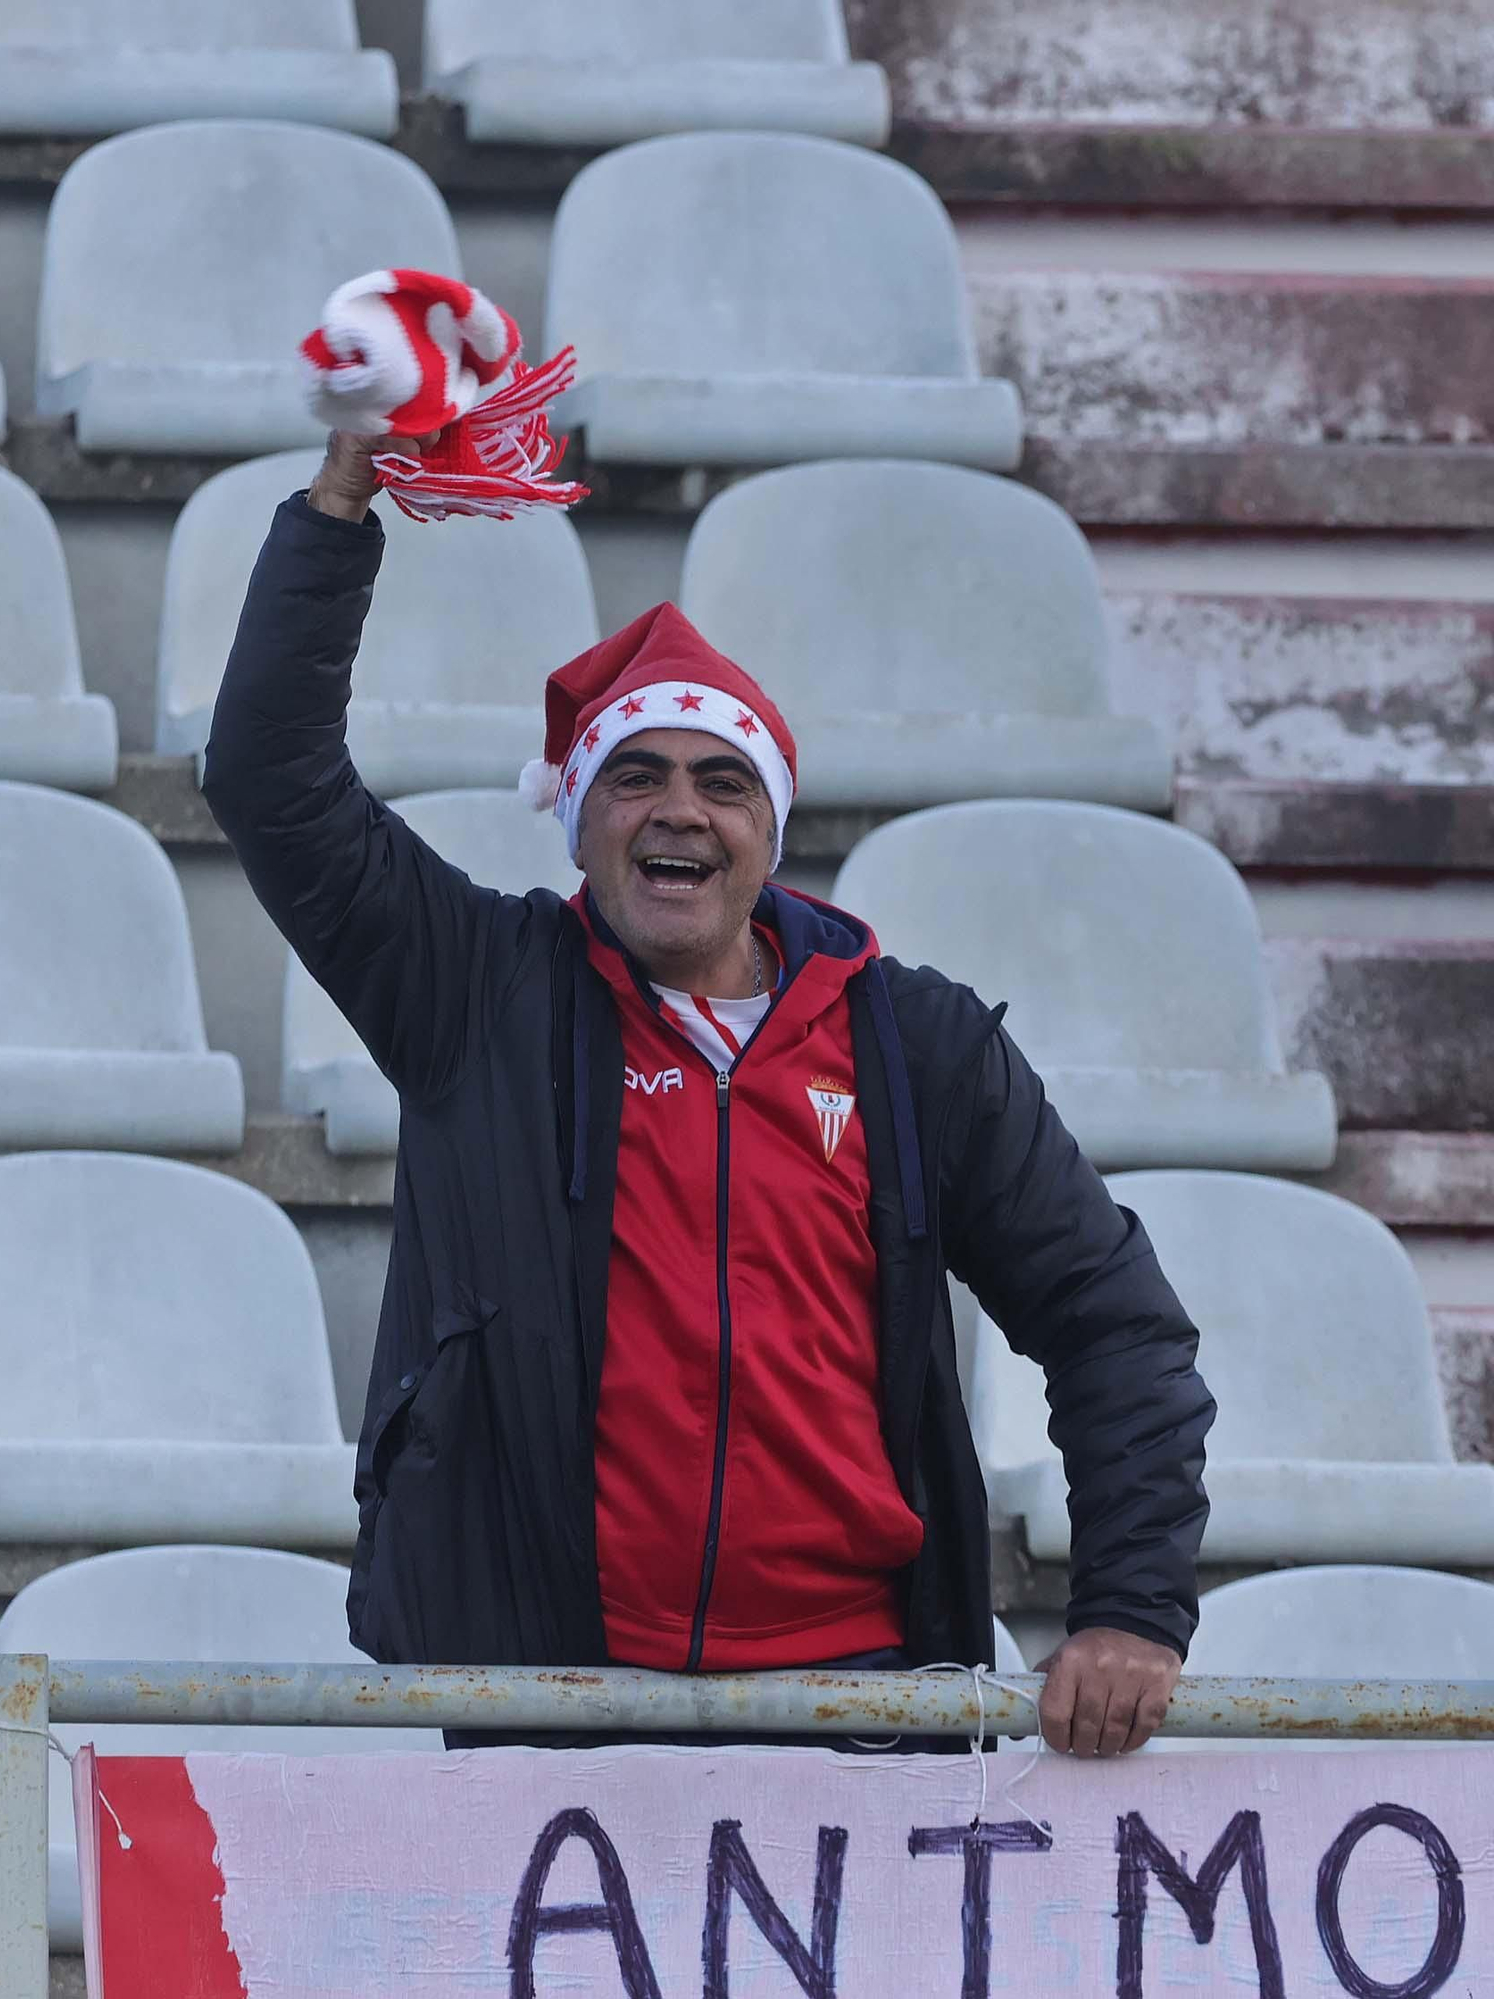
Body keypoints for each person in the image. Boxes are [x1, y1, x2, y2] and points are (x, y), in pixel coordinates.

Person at [203, 428, 1215, 1760]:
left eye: (721, 781)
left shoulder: (920, 1046)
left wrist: (1133, 1609)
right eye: (636, 776)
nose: (679, 810)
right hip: (561, 1715)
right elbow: (271, 783)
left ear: (768, 835)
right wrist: (343, 506)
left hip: (860, 1712)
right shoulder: (478, 993)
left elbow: (1114, 1324)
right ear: (581, 820)